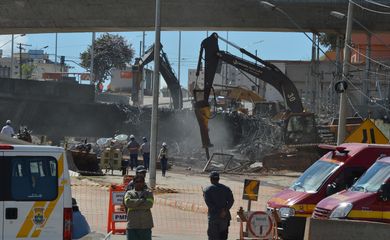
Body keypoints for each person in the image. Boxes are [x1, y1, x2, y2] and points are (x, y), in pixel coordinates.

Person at [203, 171, 234, 240]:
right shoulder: (226, 189)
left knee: (212, 237)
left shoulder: (207, 190)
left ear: (211, 179)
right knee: (223, 236)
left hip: (213, 217)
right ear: (218, 179)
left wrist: (219, 211)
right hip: (225, 217)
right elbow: (231, 201)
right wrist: (224, 211)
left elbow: (209, 204)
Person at [124, 175, 154, 240]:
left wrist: (135, 205)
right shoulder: (129, 193)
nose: (139, 183)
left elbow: (149, 204)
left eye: (141, 181)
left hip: (146, 226)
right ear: (134, 183)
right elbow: (128, 203)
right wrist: (142, 200)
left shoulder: (148, 193)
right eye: (137, 182)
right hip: (132, 226)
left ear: (143, 183)